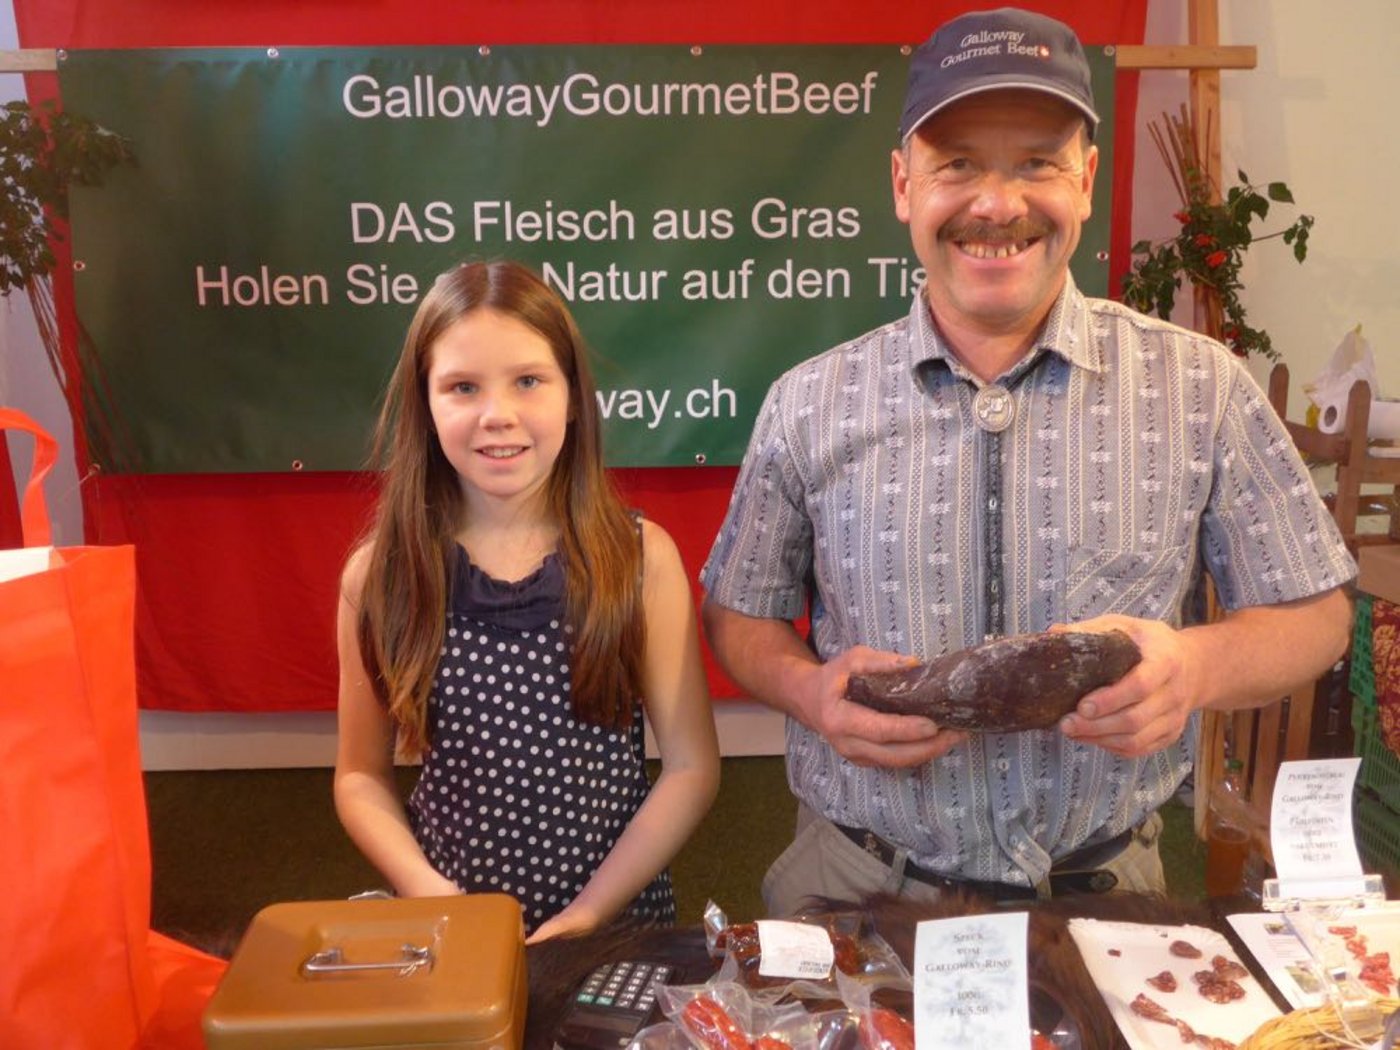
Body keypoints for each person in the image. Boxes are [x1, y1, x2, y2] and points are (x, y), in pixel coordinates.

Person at [701, 7, 1354, 914]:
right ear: (902, 184)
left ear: (1086, 180)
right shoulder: (809, 402)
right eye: (958, 163)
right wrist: (809, 691)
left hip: (1105, 896)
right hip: (861, 890)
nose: (996, 204)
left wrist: (1194, 668)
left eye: (1036, 162)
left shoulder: (1201, 387)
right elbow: (741, 618)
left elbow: (1317, 613)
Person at [335, 260, 720, 942]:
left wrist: (590, 913)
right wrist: (430, 892)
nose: (498, 415)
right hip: (450, 930)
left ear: (572, 394)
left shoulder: (638, 560)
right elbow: (361, 776)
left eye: (529, 380)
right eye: (461, 387)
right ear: (425, 402)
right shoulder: (380, 577)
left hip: (614, 926)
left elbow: (690, 767)